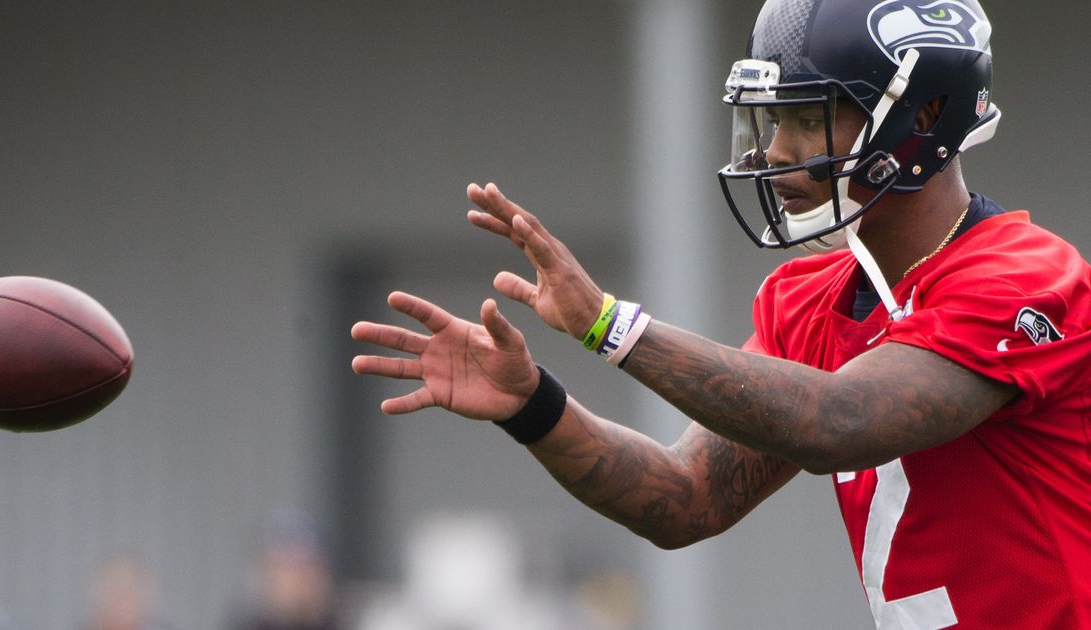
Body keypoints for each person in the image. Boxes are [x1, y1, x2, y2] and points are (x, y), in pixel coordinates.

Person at [351, 0, 1091, 628]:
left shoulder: (1026, 277)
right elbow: (684, 499)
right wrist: (533, 406)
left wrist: (609, 325)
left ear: (923, 116)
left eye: (805, 117)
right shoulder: (811, 300)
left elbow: (839, 422)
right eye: (773, 120)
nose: (775, 151)